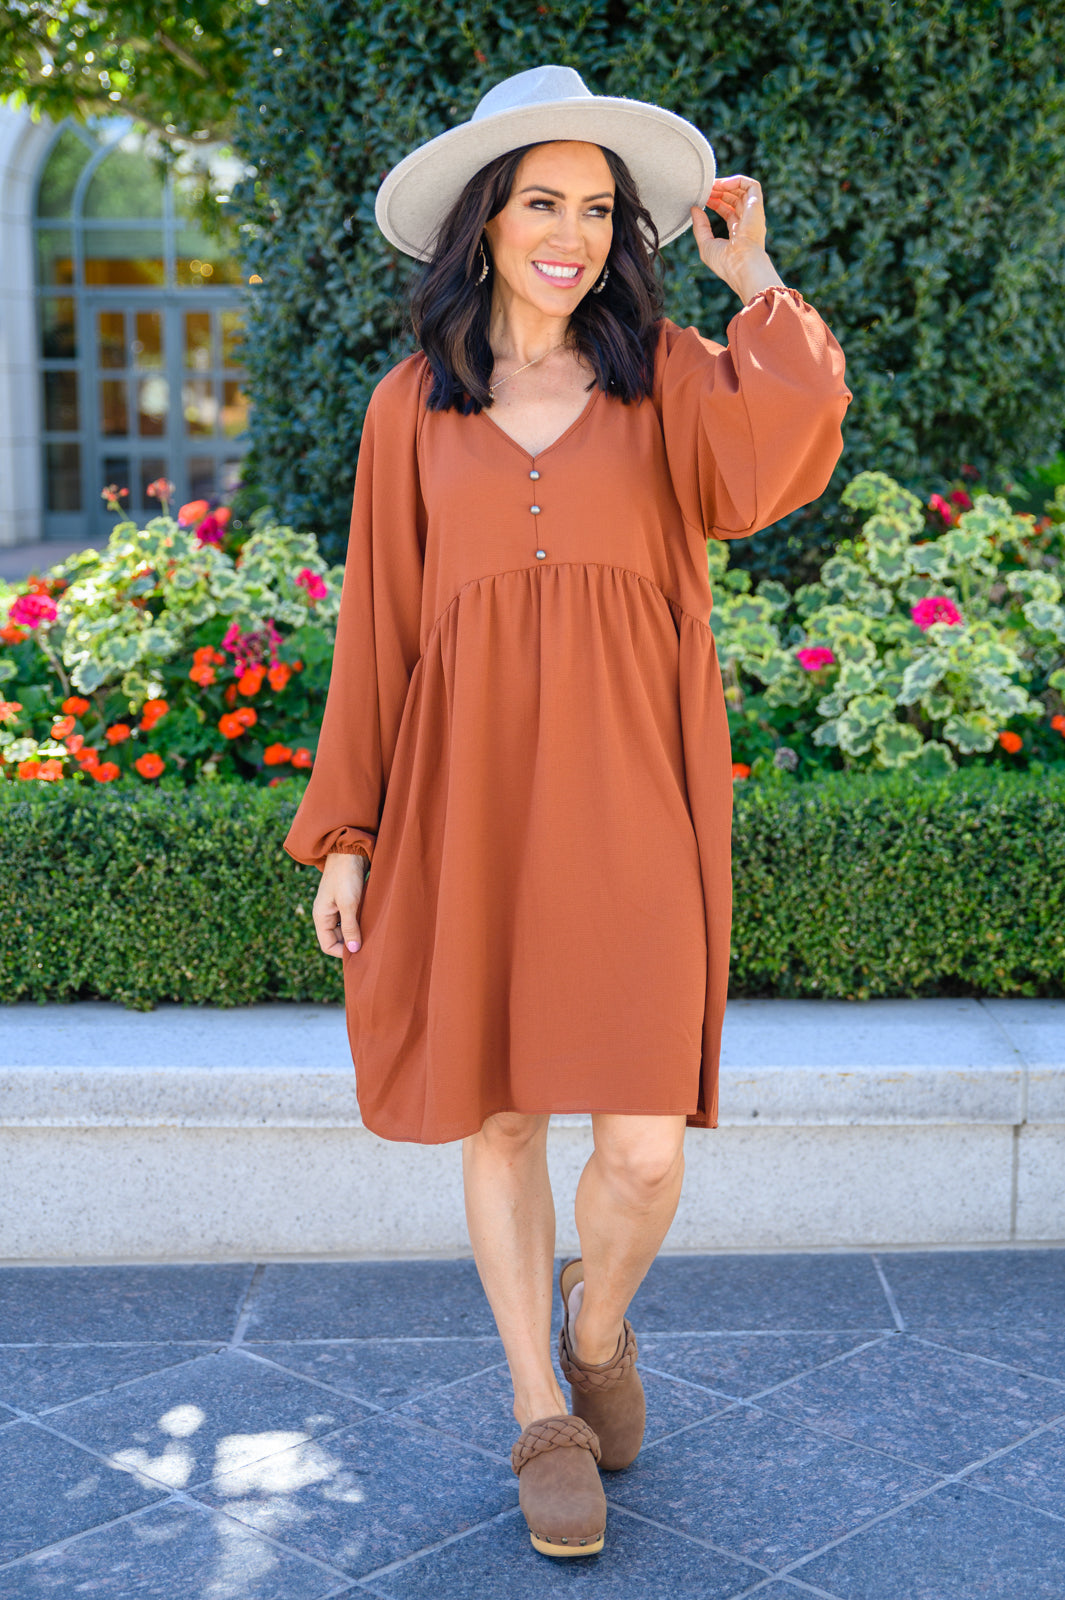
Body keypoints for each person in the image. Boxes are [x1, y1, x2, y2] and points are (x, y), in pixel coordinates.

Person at [283, 63, 851, 1558]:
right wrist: (347, 835)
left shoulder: (669, 378)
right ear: (485, 219)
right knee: (500, 1109)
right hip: (462, 805)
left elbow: (789, 436)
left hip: (636, 800)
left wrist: (753, 279)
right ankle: (542, 1410)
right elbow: (378, 633)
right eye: (544, 201)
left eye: (598, 209)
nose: (574, 233)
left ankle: (597, 1329)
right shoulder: (410, 407)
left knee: (644, 1147)